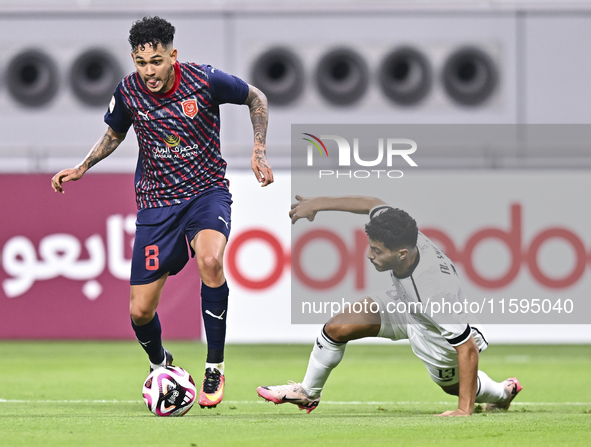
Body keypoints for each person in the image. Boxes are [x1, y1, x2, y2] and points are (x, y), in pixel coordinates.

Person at [51, 16, 273, 409]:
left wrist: (258, 150)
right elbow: (115, 133)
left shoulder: (204, 80)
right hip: (157, 205)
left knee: (210, 261)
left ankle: (215, 367)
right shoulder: (129, 92)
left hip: (206, 192)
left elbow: (256, 97)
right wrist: (83, 166)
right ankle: (160, 364)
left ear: (173, 55)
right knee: (140, 311)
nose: (148, 71)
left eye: (155, 61)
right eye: (140, 62)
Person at [257, 195, 522, 417]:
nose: (370, 255)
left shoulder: (435, 291)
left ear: (402, 253)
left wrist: (464, 410)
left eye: (378, 251)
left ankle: (502, 392)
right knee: (337, 328)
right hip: (402, 303)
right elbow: (373, 203)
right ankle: (308, 393)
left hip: (434, 331)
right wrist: (318, 204)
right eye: (371, 247)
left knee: (454, 387)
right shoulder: (401, 232)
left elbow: (467, 348)